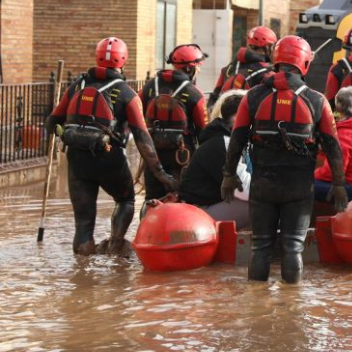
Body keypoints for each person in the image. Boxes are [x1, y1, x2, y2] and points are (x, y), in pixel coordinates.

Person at [222, 35, 347, 284]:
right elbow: (333, 147)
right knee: (292, 247)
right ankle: (293, 310)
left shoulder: (253, 97)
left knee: (260, 247)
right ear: (305, 63)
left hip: (262, 186)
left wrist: (228, 175)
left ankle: (257, 308)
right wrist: (339, 184)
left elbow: (236, 139)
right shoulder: (317, 101)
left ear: (275, 60)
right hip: (299, 188)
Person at [45, 37, 177, 255]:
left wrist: (67, 135)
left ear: (97, 57)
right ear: (123, 61)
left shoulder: (76, 86)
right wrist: (161, 174)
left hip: (77, 160)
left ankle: (82, 276)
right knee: (125, 199)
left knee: (83, 226)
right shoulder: (127, 94)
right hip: (109, 160)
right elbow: (143, 138)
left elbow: (52, 123)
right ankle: (116, 244)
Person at [139, 44, 209, 213]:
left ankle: (148, 233)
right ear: (191, 68)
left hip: (152, 154)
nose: (198, 72)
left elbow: (137, 117)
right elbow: (204, 130)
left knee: (152, 199)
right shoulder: (194, 93)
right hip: (182, 156)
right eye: (198, 68)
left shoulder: (148, 88)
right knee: (181, 199)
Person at [178, 90, 252, 230]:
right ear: (239, 118)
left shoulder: (224, 138)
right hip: (197, 215)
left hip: (208, 207)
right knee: (262, 206)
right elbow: (243, 189)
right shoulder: (225, 143)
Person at [208, 26, 277, 107]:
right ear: (267, 47)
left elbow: (215, 95)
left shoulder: (230, 66)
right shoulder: (267, 73)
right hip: (246, 117)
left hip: (223, 116)